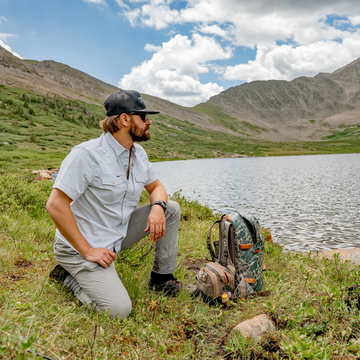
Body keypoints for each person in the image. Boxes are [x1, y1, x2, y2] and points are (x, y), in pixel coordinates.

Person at [46, 90, 196, 319]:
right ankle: (68, 277)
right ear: (125, 119)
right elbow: (55, 205)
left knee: (171, 208)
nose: (149, 122)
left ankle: (161, 280)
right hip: (80, 246)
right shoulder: (87, 155)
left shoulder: (138, 154)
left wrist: (157, 207)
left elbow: (157, 188)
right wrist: (87, 250)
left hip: (115, 235)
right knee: (118, 311)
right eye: (143, 117)